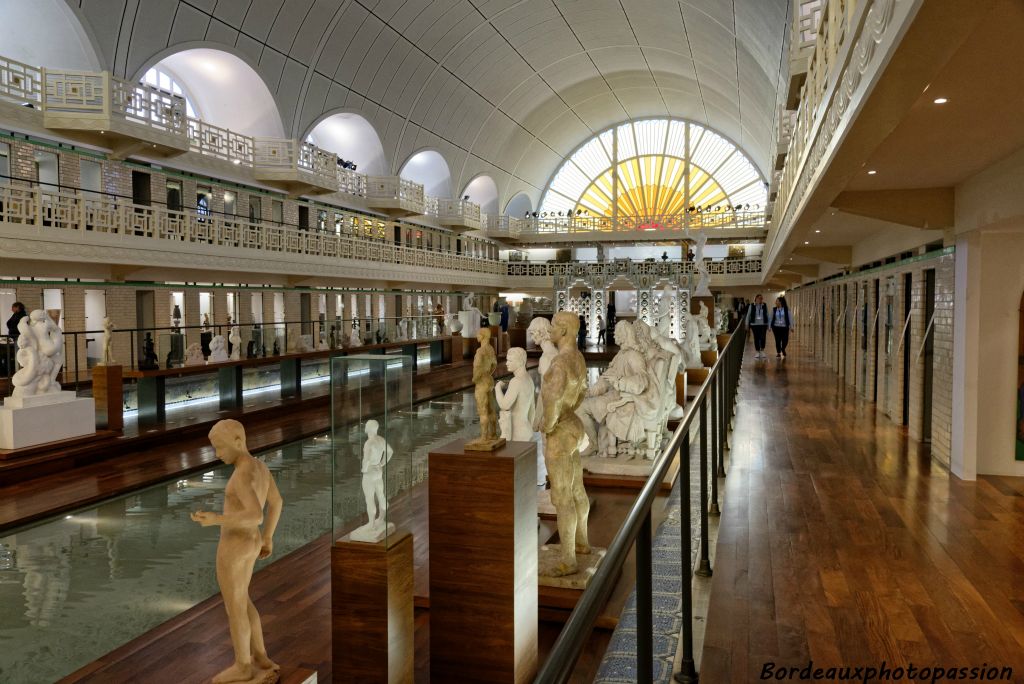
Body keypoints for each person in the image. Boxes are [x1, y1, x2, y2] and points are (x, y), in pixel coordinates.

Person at [191, 419, 283, 683]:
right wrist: (268, 538)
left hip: (235, 545)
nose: (217, 454)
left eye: (219, 448)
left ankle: (243, 665)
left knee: (235, 607)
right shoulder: (261, 468)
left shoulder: (241, 474)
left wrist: (215, 519)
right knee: (243, 600)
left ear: (238, 442)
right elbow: (276, 503)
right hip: (252, 542)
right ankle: (260, 656)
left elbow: (254, 514)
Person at [746, 294, 769, 359]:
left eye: (761, 298)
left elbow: (767, 315)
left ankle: (762, 350)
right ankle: (757, 351)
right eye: (759, 298)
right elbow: (748, 315)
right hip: (754, 325)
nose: (760, 300)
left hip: (763, 324)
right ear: (755, 299)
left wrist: (768, 325)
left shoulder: (764, 305)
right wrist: (747, 324)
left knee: (763, 337)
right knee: (756, 338)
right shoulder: (752, 305)